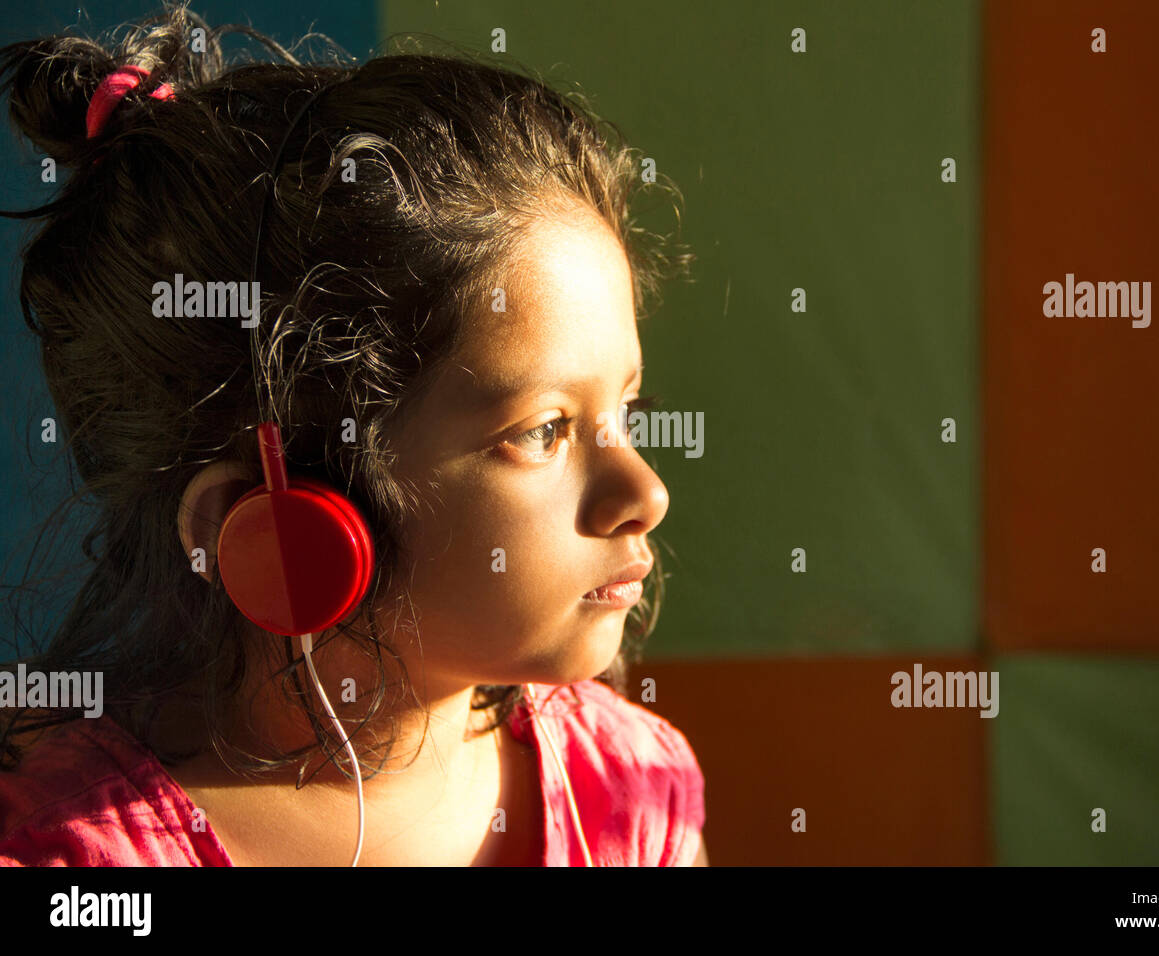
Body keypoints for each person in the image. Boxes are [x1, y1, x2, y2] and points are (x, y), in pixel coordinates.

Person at [0, 3, 706, 867]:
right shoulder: (66, 854)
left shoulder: (630, 792)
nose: (647, 493)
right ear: (274, 521)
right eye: (545, 430)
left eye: (624, 413)